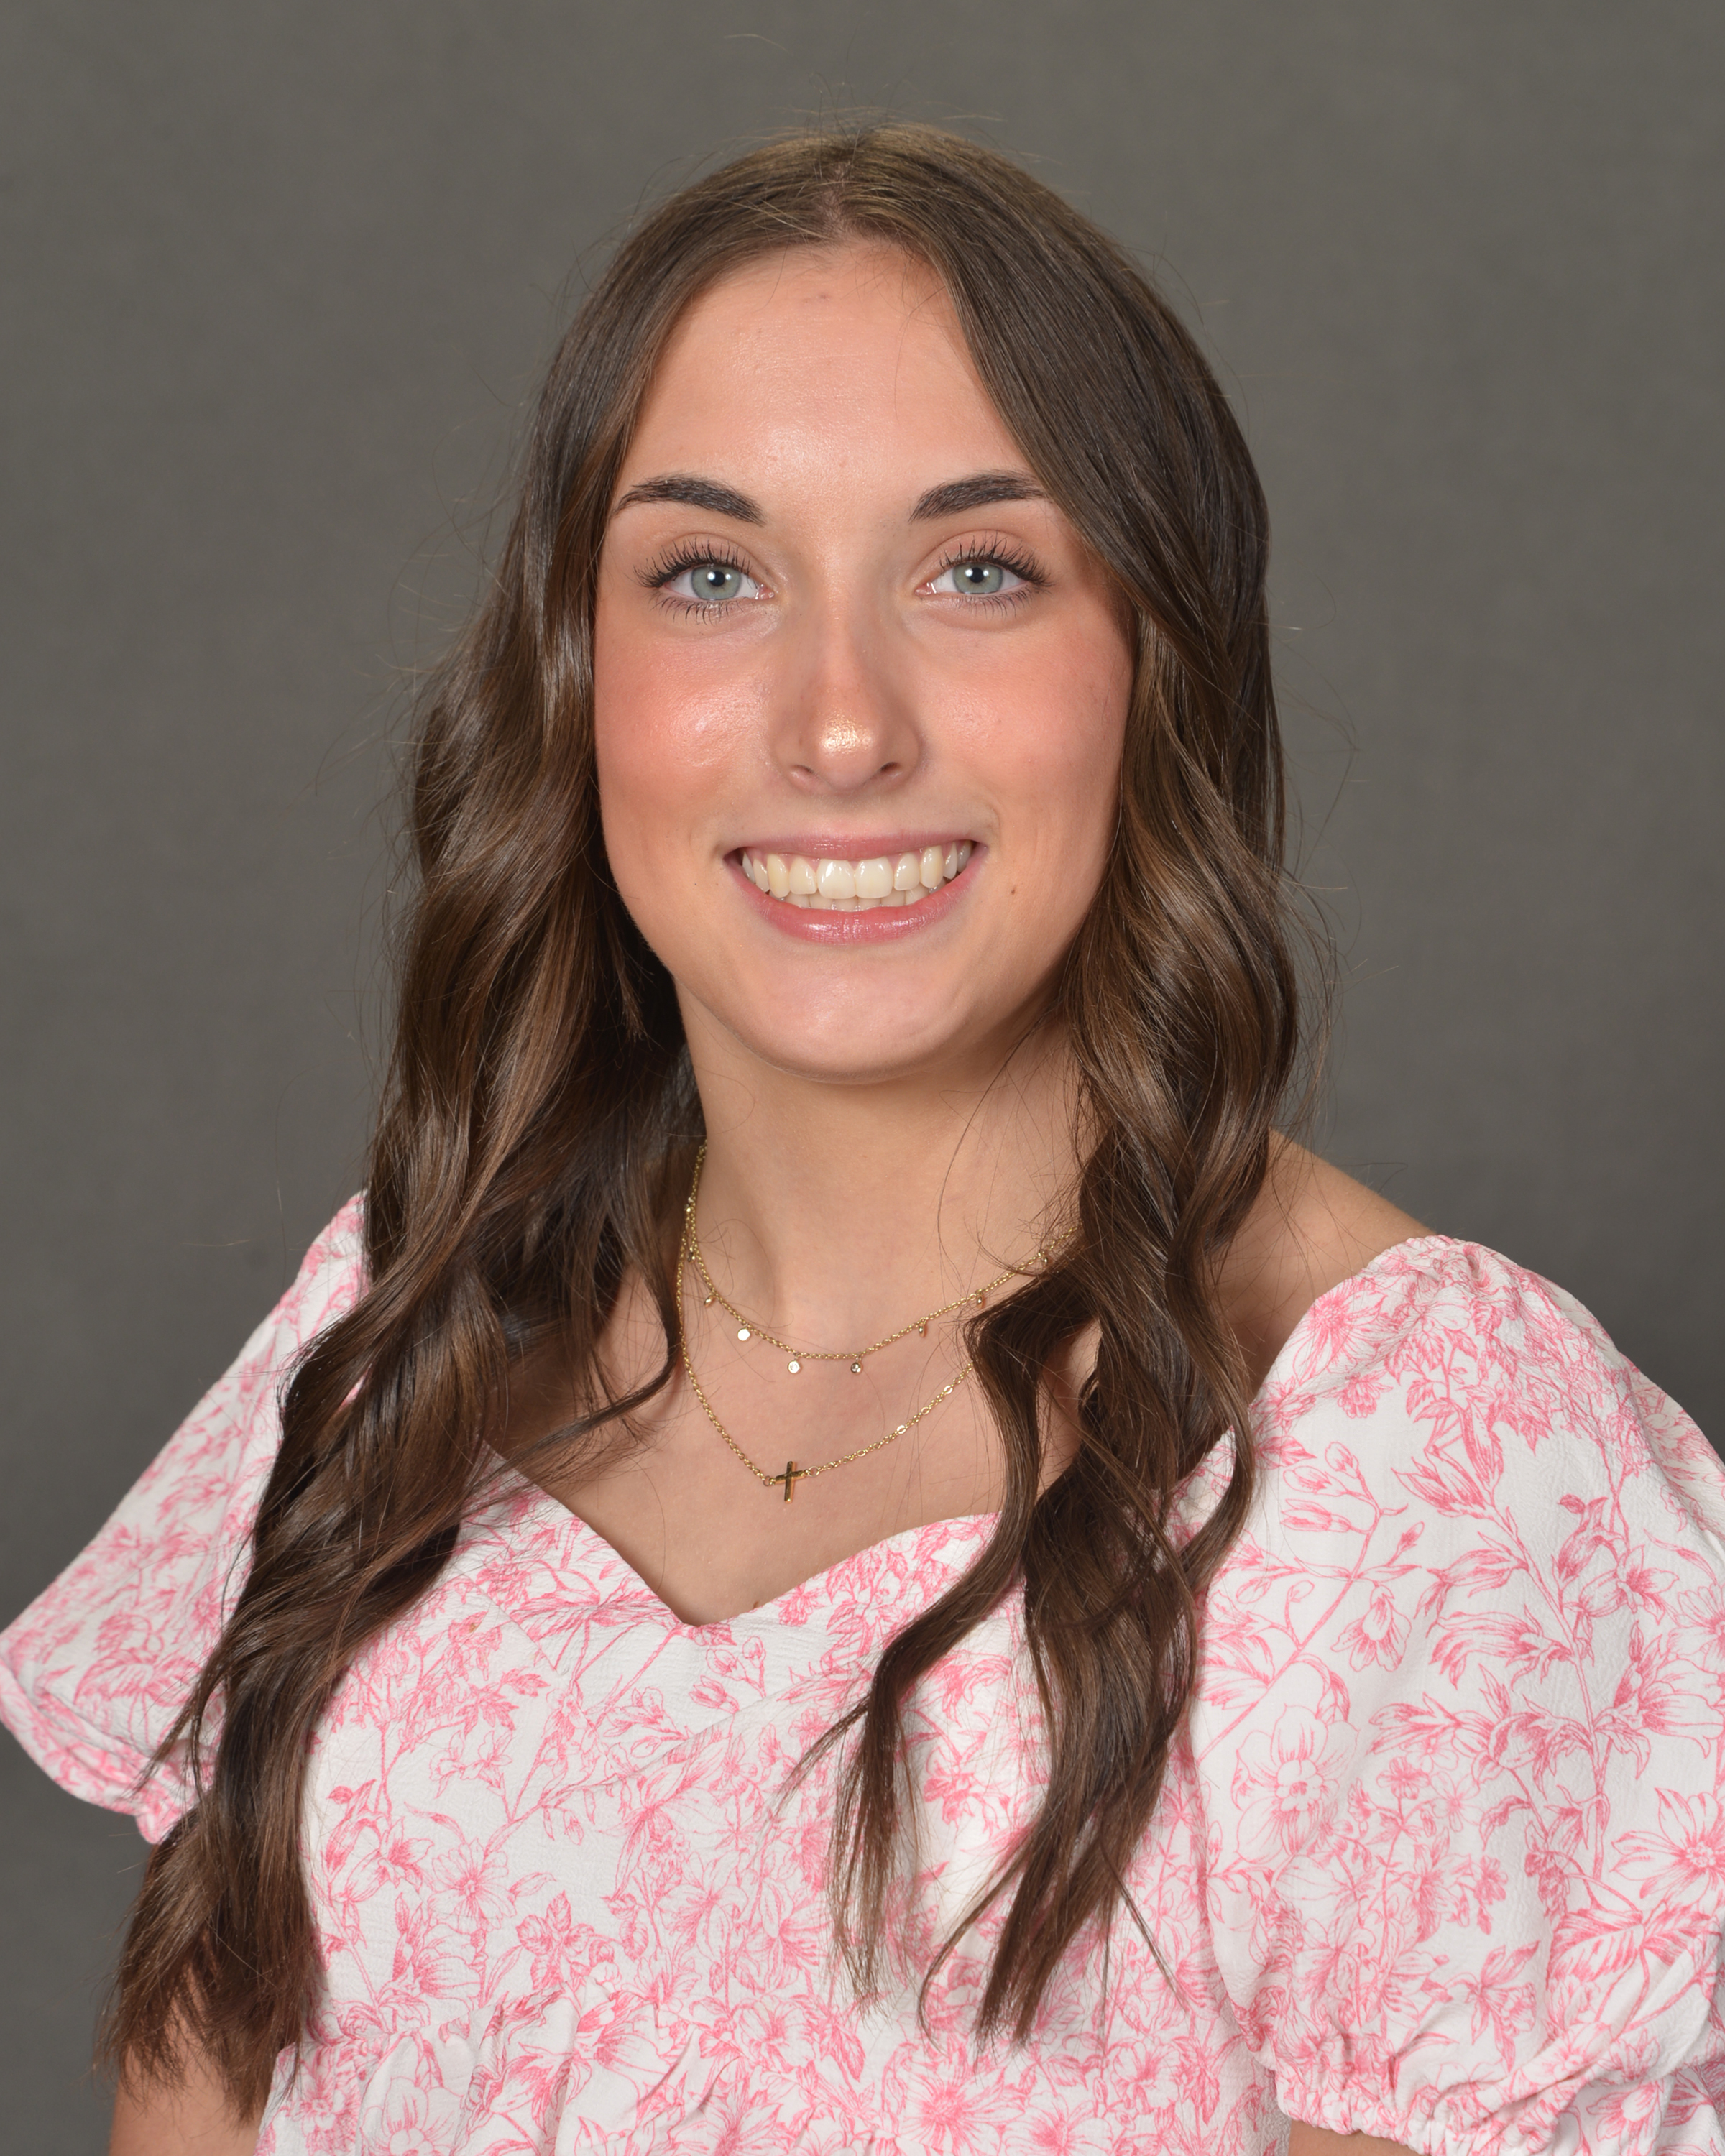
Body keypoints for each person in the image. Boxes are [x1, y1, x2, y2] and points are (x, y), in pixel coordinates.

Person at [3, 123, 1721, 2156]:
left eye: (979, 572)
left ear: (1155, 661)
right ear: (575, 670)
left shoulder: (1435, 1457)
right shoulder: (412, 1312)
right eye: (710, 576)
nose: (839, 727)